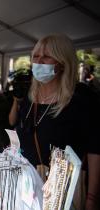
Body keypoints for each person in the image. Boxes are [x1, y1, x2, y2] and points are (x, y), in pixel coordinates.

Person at [9, 34, 100, 210]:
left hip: (62, 192)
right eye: (36, 56)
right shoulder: (29, 99)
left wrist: (92, 198)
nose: (39, 61)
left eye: (46, 56)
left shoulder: (81, 101)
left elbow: (95, 150)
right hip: (27, 189)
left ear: (62, 62)